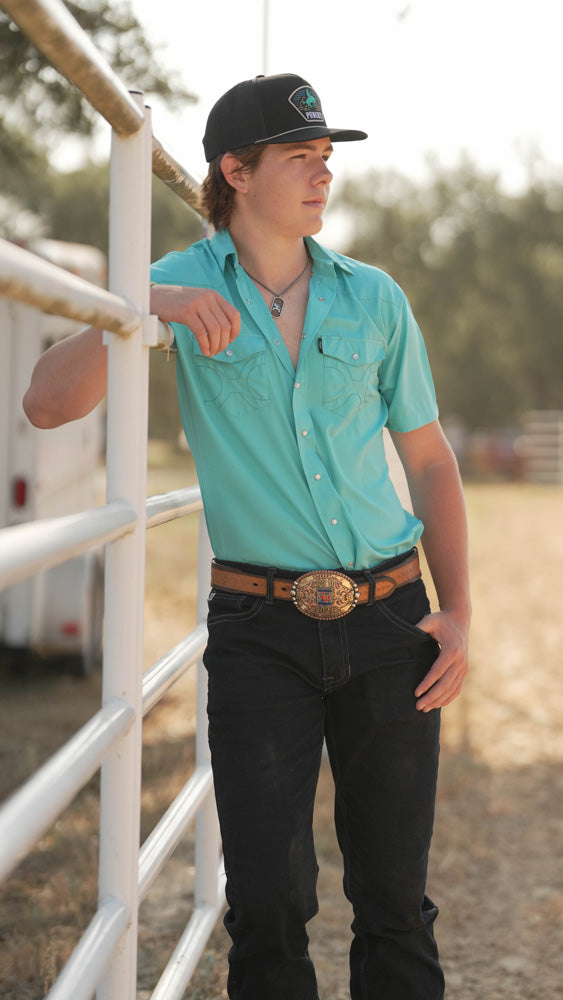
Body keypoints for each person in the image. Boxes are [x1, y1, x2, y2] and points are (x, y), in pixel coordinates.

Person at [24, 73, 471, 1000]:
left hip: (391, 621)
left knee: (395, 901)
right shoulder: (173, 283)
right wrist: (145, 304)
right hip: (259, 632)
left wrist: (459, 610)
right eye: (300, 157)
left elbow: (429, 460)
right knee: (266, 905)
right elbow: (45, 402)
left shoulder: (374, 298)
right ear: (235, 170)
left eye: (326, 157)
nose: (323, 174)